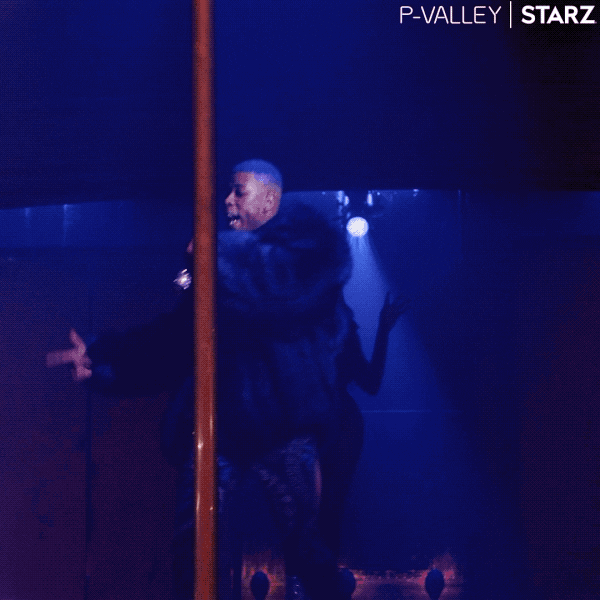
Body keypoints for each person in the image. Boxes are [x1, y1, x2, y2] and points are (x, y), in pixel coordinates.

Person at [47, 159, 404, 600]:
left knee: (309, 551)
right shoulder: (221, 268)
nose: (228, 201)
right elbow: (175, 342)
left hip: (286, 429)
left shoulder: (303, 262)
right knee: (191, 546)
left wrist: (217, 261)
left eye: (240, 192)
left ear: (269, 201)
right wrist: (103, 361)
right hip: (223, 429)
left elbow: (290, 293)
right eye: (228, 192)